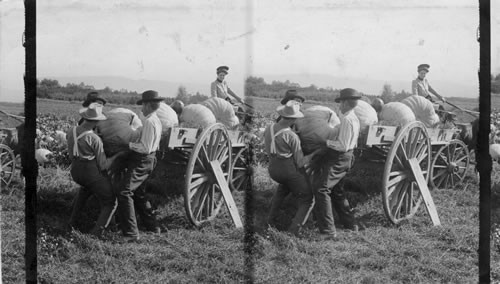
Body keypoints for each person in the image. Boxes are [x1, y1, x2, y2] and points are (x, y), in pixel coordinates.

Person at [310, 88, 362, 239]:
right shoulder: (353, 117)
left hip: (341, 157)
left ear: (346, 102)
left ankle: (328, 231)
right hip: (347, 157)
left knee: (321, 189)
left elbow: (343, 145)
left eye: (341, 102)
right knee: (337, 190)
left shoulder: (346, 119)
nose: (339, 105)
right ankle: (350, 224)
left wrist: (325, 142)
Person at [115, 90, 164, 242]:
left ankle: (131, 233)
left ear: (149, 105)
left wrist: (127, 144)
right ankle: (153, 227)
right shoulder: (154, 119)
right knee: (139, 193)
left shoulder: (149, 121)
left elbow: (146, 148)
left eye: (143, 104)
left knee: (124, 191)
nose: (141, 108)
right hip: (148, 160)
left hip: (143, 160)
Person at [67, 104, 122, 237]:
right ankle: (96, 234)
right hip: (89, 173)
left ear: (85, 117)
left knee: (85, 189)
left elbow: (71, 154)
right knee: (111, 202)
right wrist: (117, 156)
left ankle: (72, 222)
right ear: (96, 121)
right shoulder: (94, 139)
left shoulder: (71, 130)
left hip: (75, 171)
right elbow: (103, 165)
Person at [264, 101, 314, 236]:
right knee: (307, 199)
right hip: (288, 171)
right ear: (293, 119)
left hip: (273, 169)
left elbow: (269, 151)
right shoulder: (292, 136)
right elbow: (300, 162)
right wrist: (314, 154)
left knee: (283, 187)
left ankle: (269, 220)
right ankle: (293, 231)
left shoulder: (269, 128)